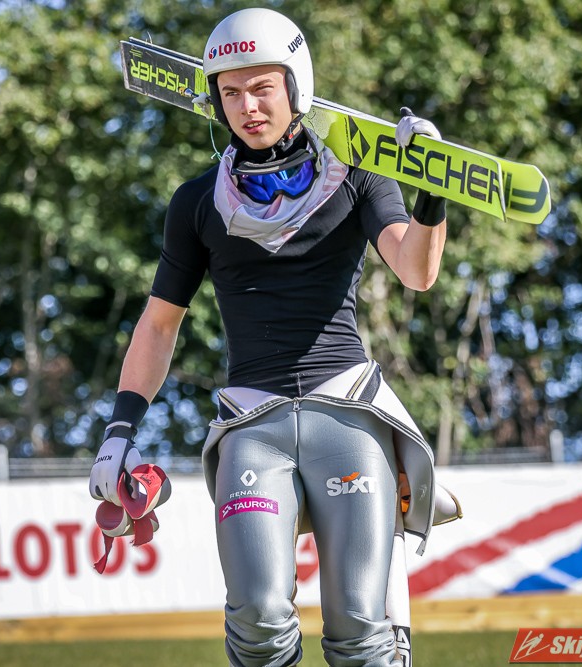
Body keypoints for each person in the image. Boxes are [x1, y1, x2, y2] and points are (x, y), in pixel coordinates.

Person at [91, 8, 455, 666]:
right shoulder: (196, 201)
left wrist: (431, 192)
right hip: (251, 422)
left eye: (262, 88)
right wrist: (119, 431)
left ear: (296, 86)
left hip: (348, 412)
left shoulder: (359, 175)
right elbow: (159, 324)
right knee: (257, 622)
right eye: (230, 92)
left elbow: (416, 271)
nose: (247, 107)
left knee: (361, 630)